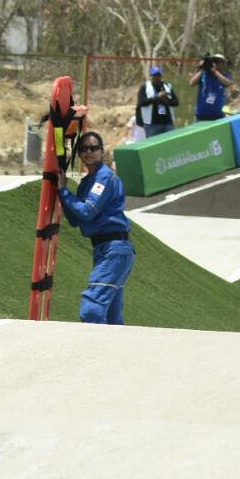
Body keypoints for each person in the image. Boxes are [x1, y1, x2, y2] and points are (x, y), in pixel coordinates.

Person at [57, 131, 135, 325]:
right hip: (105, 250)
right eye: (83, 149)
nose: (88, 152)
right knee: (111, 317)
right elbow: (76, 220)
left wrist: (63, 192)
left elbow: (86, 212)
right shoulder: (86, 183)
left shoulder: (104, 178)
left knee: (92, 308)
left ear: (102, 152)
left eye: (93, 148)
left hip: (114, 250)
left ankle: (90, 352)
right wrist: (63, 194)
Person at [135, 65, 178, 137]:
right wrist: (156, 97)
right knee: (152, 145)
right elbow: (141, 102)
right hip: (151, 124)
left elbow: (176, 102)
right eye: (154, 75)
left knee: (169, 145)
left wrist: (167, 100)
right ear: (151, 76)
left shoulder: (167, 86)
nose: (156, 77)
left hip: (168, 123)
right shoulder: (145, 87)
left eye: (158, 75)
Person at [189, 53, 232, 122]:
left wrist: (214, 71)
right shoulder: (203, 74)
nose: (217, 63)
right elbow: (191, 83)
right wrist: (202, 68)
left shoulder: (224, 75)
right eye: (215, 61)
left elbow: (227, 83)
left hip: (218, 115)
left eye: (219, 62)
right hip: (201, 115)